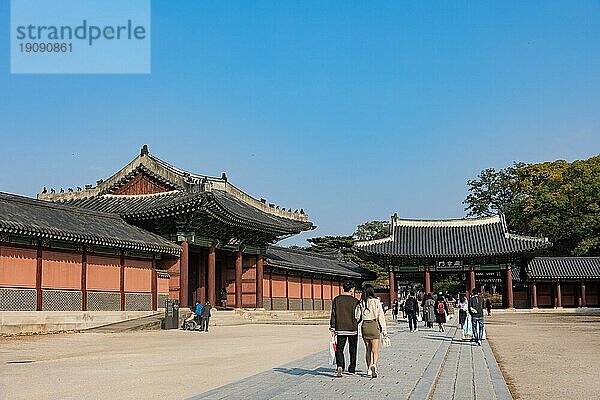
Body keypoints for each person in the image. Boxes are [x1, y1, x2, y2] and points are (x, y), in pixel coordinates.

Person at [355, 284, 388, 378]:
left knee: (368, 349)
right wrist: (384, 331)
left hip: (365, 326)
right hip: (374, 325)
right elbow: (381, 317)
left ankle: (369, 369)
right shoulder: (376, 301)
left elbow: (357, 316)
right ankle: (374, 365)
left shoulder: (361, 303)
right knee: (375, 350)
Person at [330, 280, 359, 377]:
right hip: (352, 328)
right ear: (352, 289)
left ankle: (340, 366)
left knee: (340, 349)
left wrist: (333, 327)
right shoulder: (355, 301)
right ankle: (352, 368)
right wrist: (356, 323)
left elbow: (333, 314)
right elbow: (359, 316)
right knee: (353, 349)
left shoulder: (337, 299)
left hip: (340, 328)